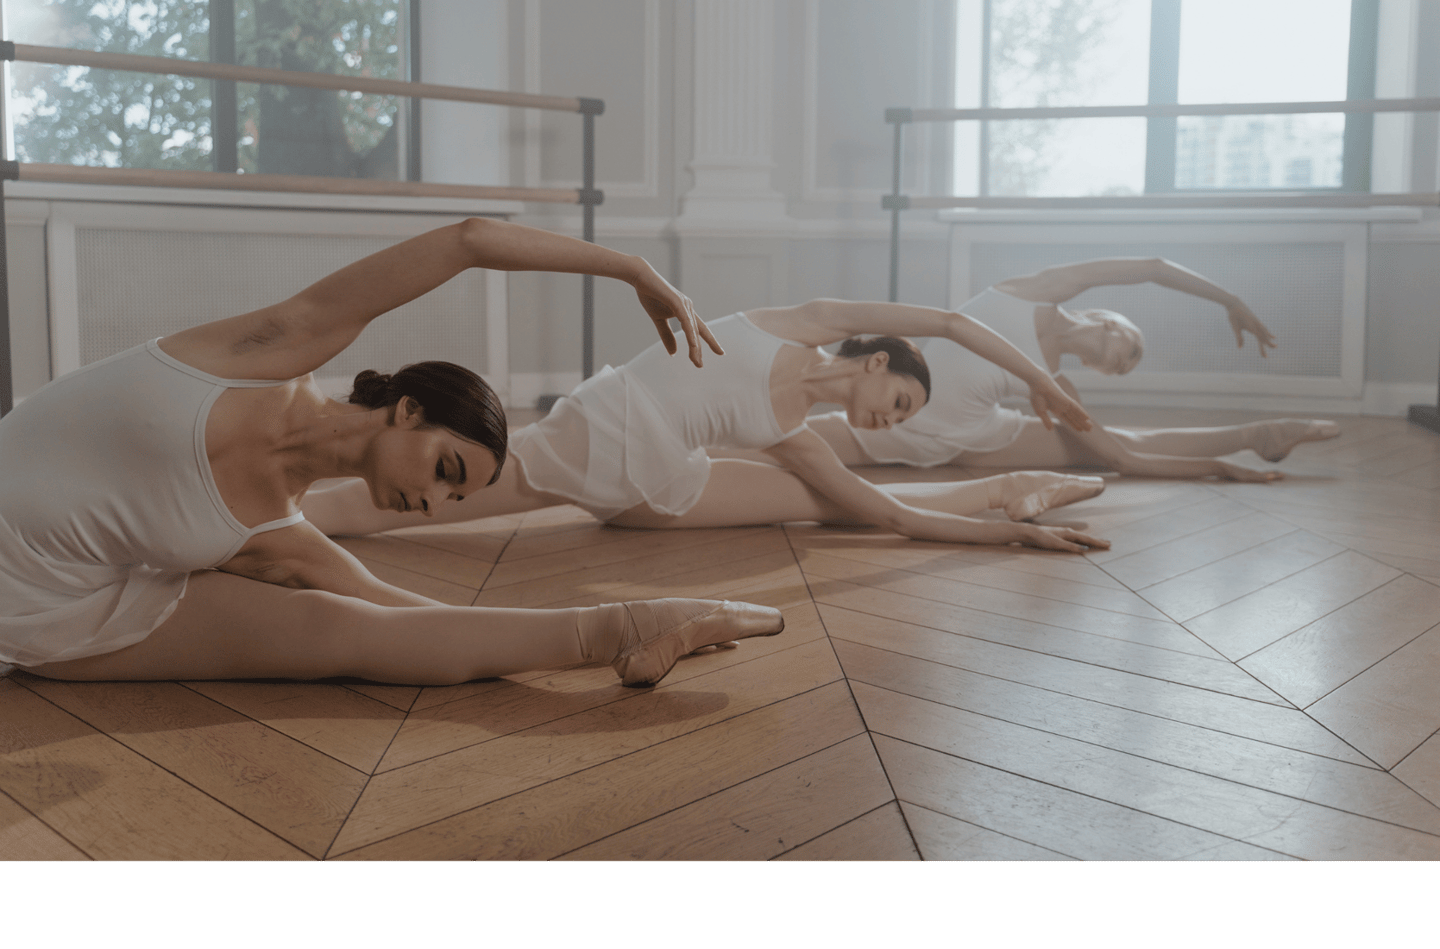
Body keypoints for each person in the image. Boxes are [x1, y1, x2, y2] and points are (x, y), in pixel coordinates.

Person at [0, 219, 783, 690]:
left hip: (60, 614)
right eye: (446, 470)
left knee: (348, 635)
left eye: (456, 500)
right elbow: (467, 241)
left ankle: (636, 624)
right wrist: (632, 269)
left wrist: (586, 629)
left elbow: (423, 622)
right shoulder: (270, 351)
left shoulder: (276, 531)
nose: (437, 505)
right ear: (406, 410)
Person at [300, 298, 1114, 554]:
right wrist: (1047, 383)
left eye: (901, 420)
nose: (889, 420)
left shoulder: (793, 428)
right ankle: (271, 520)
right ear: (877, 362)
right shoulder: (794, 323)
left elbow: (893, 513)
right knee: (426, 500)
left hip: (650, 486)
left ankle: (1009, 494)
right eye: (900, 401)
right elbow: (946, 318)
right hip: (603, 437)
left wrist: (1006, 536)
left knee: (835, 503)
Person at [801, 257, 1341, 484]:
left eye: (1125, 365)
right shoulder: (1034, 292)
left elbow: (1121, 458)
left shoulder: (1054, 380)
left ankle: (1259, 435)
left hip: (969, 440)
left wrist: (1219, 469)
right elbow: (1150, 269)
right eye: (1126, 342)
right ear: (1105, 318)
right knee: (782, 437)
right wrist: (1230, 299)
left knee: (1120, 445)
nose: (1122, 355)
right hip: (894, 417)